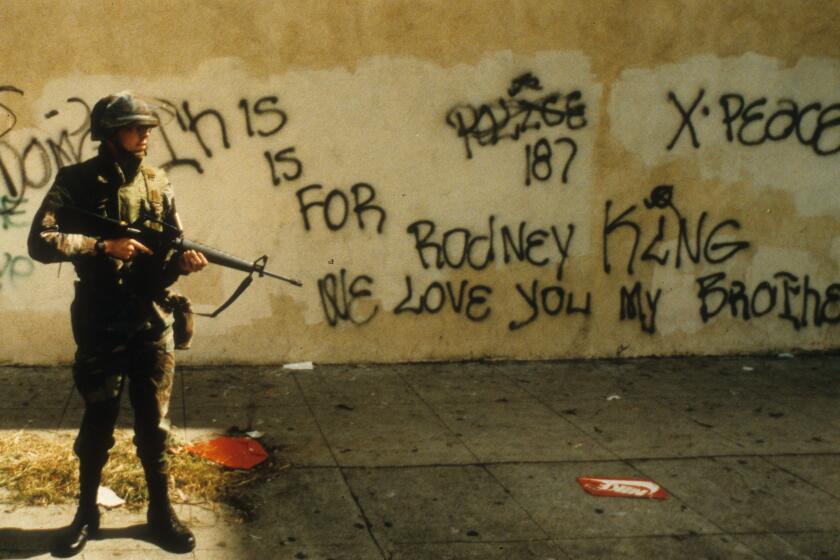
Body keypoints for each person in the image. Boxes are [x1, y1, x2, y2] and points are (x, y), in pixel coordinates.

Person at [27, 92, 208, 556]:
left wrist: (183, 263)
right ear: (109, 134)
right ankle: (87, 513)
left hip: (151, 319)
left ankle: (160, 512)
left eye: (147, 127)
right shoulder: (76, 181)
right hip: (100, 319)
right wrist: (102, 246)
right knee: (98, 419)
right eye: (134, 127)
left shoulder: (158, 181)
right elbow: (41, 240)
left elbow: (169, 248)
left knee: (155, 424)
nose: (145, 135)